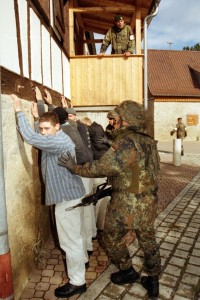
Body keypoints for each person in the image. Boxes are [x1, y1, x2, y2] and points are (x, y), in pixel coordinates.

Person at [58, 100, 161, 299]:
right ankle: (153, 281)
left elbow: (102, 167)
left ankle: (127, 271)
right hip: (149, 199)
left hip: (126, 202)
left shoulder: (127, 141)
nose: (112, 122)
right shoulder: (148, 140)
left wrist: (74, 168)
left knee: (111, 237)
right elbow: (140, 171)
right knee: (148, 240)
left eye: (115, 119)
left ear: (126, 119)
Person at [11, 94, 87, 298]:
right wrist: (37, 119)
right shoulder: (54, 138)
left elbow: (31, 138)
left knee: (69, 243)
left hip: (67, 198)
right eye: (42, 129)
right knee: (74, 240)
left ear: (58, 128)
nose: (43, 133)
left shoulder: (58, 142)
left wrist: (18, 110)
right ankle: (81, 268)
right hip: (69, 195)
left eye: (47, 129)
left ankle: (78, 282)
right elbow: (41, 136)